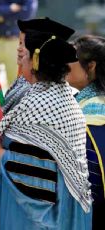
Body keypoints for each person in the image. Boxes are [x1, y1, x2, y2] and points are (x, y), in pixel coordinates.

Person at [0, 17, 76, 230]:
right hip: (16, 187)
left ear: (38, 57)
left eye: (23, 45)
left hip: (32, 204)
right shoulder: (31, 87)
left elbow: (38, 164)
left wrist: (1, 155)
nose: (18, 52)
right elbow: (17, 135)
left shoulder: (43, 100)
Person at [0, 30, 92, 229]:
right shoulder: (64, 97)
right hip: (69, 205)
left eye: (24, 55)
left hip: (37, 214)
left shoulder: (37, 104)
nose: (20, 60)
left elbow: (35, 168)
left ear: (36, 62)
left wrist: (1, 154)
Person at [67, 35, 105, 230]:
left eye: (72, 58)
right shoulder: (82, 102)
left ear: (90, 66)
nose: (66, 63)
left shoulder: (91, 113)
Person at [0, 0, 37, 99]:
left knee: (17, 85)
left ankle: (15, 115)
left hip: (16, 42)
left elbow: (26, 13)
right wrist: (11, 8)